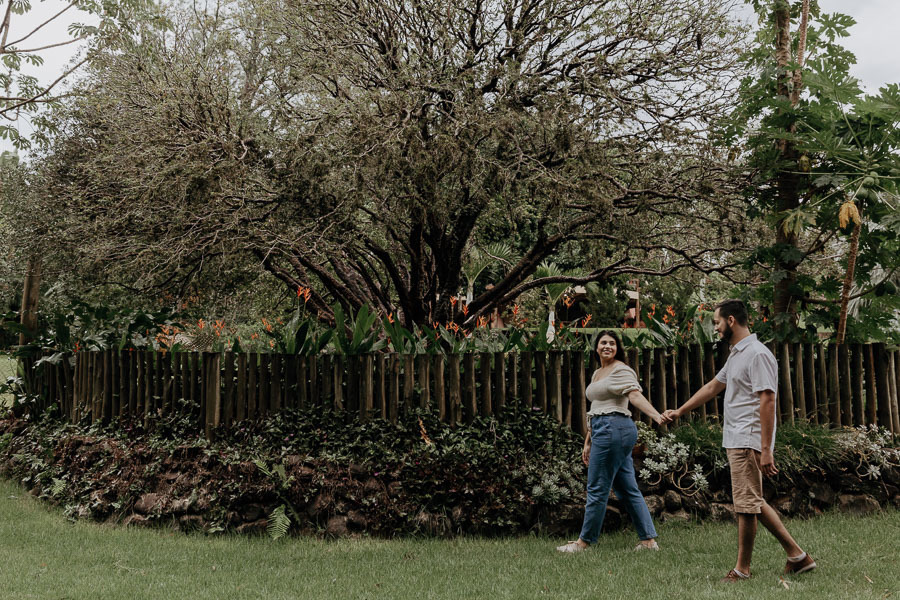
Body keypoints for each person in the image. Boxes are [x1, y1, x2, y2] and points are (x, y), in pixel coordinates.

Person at [661, 299, 816, 582]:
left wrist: (766, 449)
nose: (716, 328)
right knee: (752, 500)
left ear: (731, 320)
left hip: (747, 438)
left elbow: (768, 399)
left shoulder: (757, 354)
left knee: (746, 505)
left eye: (717, 322)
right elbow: (713, 386)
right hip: (738, 438)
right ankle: (798, 557)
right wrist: (680, 411)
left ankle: (742, 570)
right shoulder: (737, 354)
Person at [557, 330, 665, 553]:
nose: (607, 346)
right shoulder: (598, 372)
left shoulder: (621, 370)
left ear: (617, 348)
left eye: (612, 343)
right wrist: (588, 440)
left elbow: (634, 395)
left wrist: (656, 416)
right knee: (627, 488)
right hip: (604, 429)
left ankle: (583, 543)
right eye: (603, 342)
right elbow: (596, 408)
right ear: (596, 347)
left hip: (613, 428)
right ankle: (648, 541)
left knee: (597, 486)